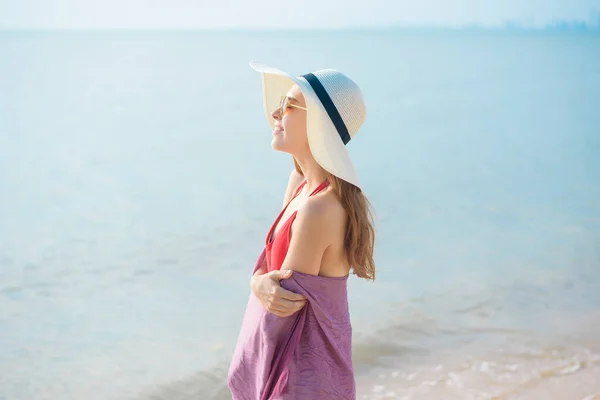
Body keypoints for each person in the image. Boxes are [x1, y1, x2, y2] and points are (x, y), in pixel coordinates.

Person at [228, 61, 376, 400]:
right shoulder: (300, 185)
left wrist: (259, 283)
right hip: (293, 374)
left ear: (318, 125)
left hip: (300, 383)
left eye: (289, 105)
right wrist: (257, 281)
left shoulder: (319, 208)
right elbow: (271, 276)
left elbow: (282, 309)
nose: (276, 114)